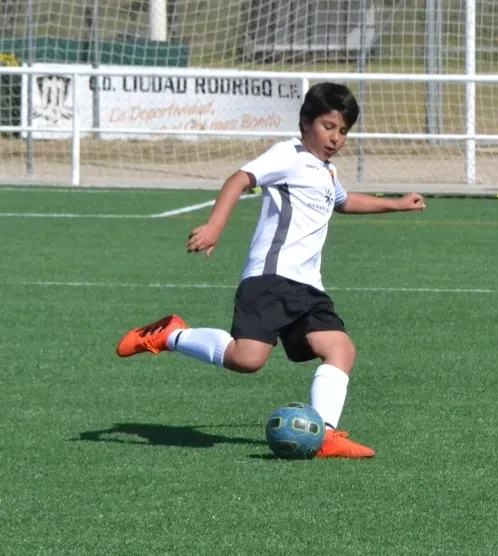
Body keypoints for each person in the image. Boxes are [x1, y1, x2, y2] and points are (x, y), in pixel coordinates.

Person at [115, 82, 427, 457]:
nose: (335, 138)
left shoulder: (328, 172)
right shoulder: (288, 155)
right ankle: (172, 335)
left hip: (309, 287)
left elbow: (344, 202)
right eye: (328, 126)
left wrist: (397, 204)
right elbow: (239, 179)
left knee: (340, 348)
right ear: (306, 122)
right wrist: (215, 226)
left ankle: (326, 435)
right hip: (271, 278)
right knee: (247, 360)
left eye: (343, 131)